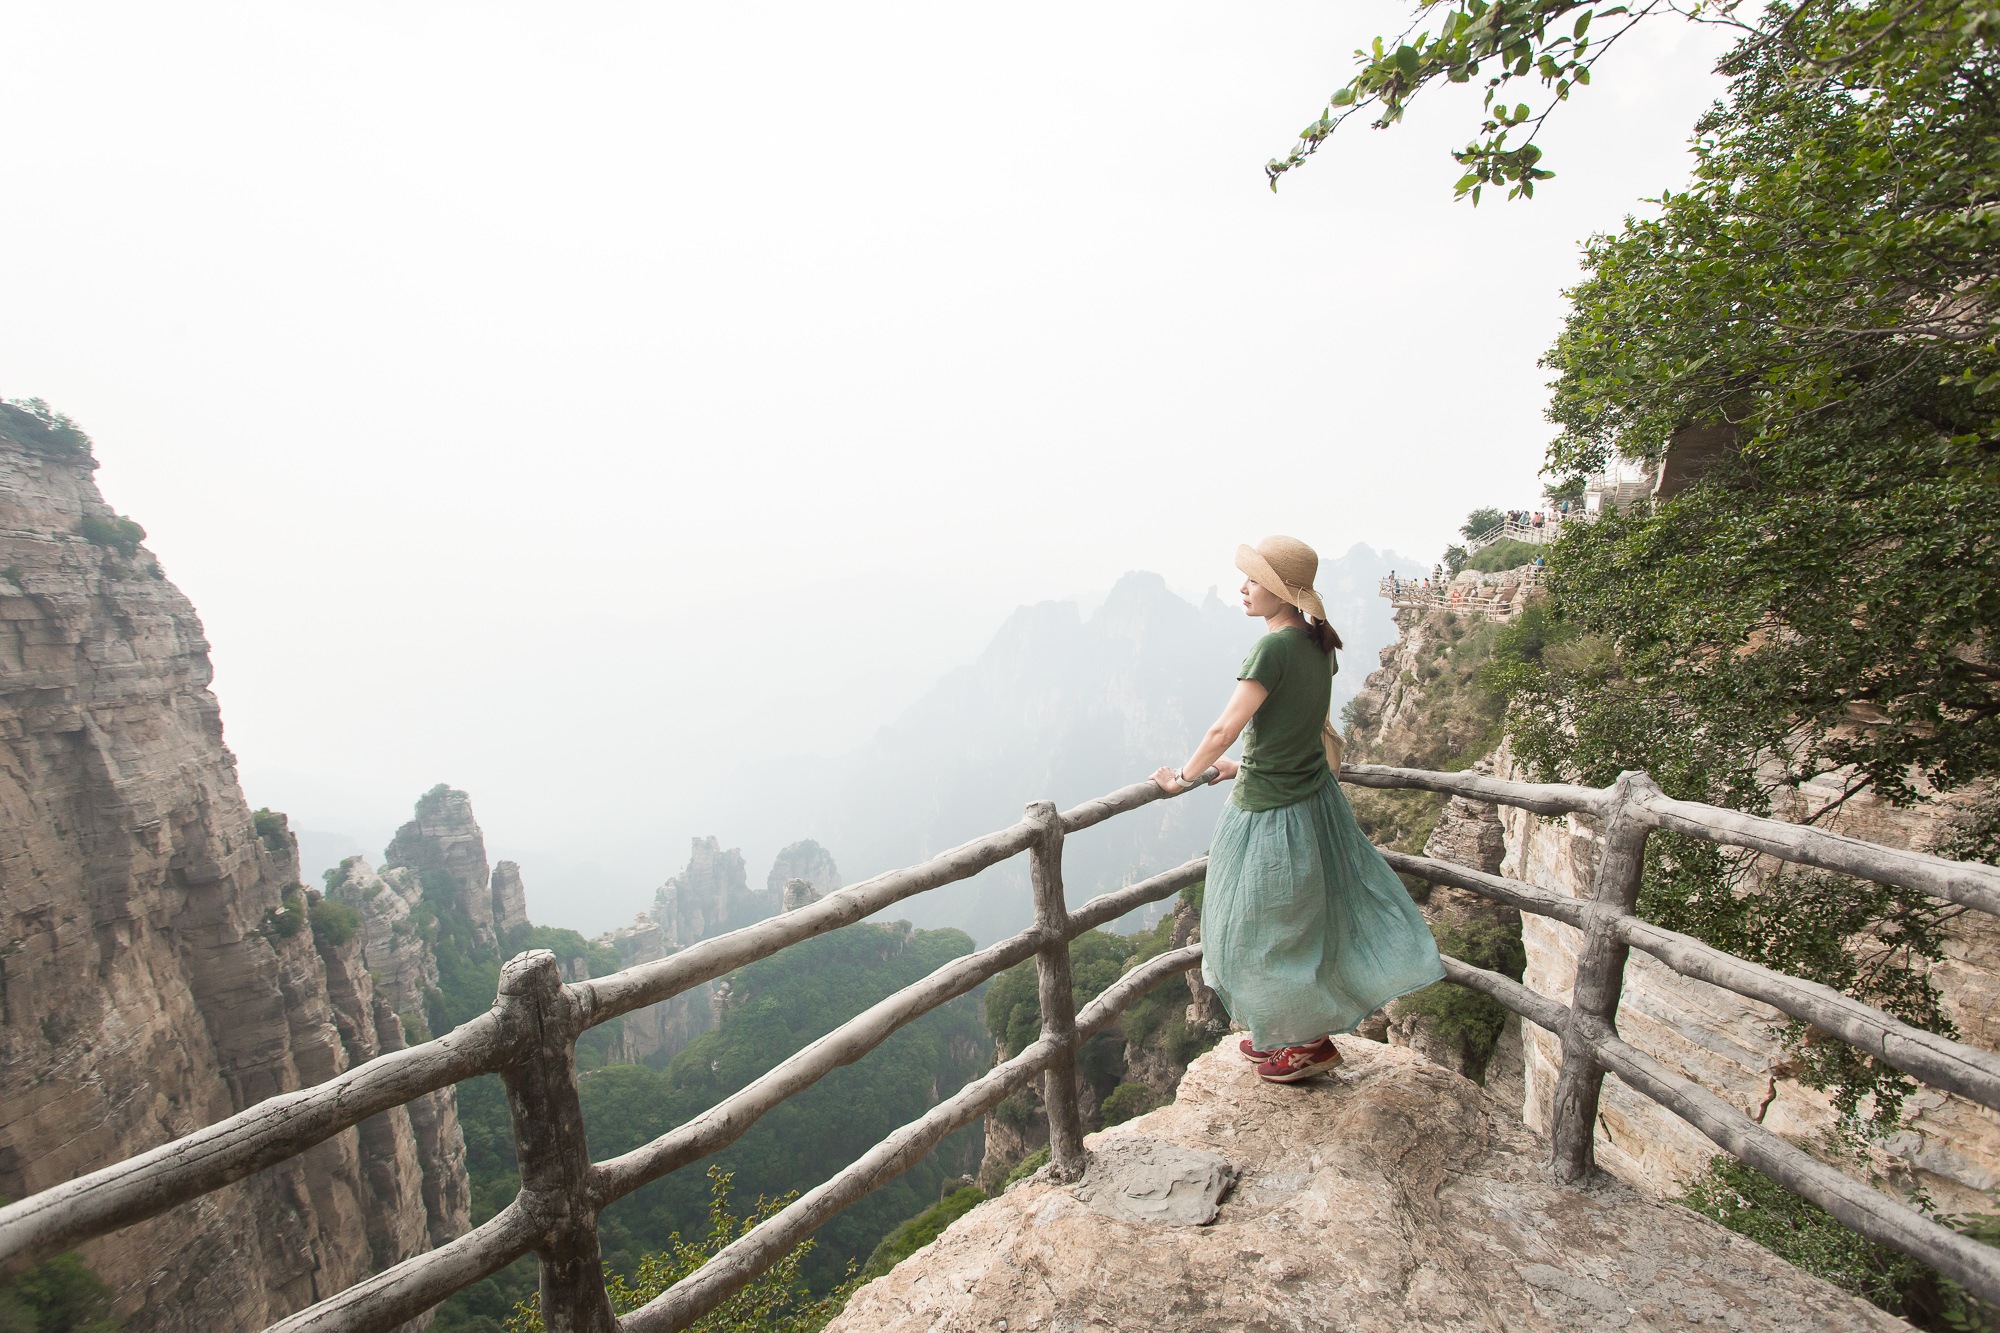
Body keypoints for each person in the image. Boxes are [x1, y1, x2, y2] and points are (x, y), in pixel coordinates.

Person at [1150, 536, 1444, 1084]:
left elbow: (1224, 729)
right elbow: (1295, 726)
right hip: (1311, 800)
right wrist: (1248, 765)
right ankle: (1286, 1033)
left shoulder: (1274, 648)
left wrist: (1180, 780)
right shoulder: (1318, 643)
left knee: (1257, 932)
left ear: (1282, 592)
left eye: (1254, 580)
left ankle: (1309, 1044)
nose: (1242, 588)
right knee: (1296, 926)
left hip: (1271, 814)